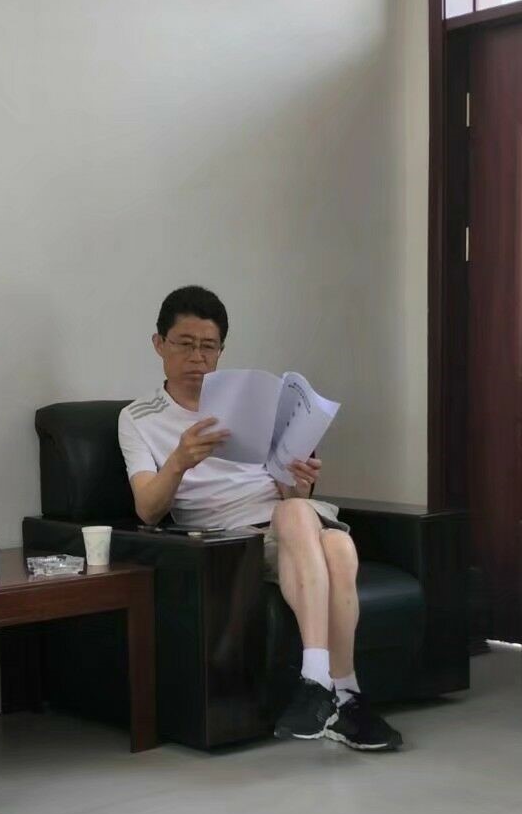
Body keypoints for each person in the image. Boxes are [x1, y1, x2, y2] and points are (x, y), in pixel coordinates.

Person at [117, 286, 400, 751]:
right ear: (159, 345)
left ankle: (318, 685)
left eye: (209, 347)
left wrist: (299, 481)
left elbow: (289, 492)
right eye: (185, 344)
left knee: (302, 515)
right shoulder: (138, 418)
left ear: (221, 351)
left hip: (289, 519)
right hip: (232, 539)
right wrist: (179, 461)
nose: (197, 358)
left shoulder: (251, 401)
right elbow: (147, 509)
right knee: (337, 545)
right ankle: (347, 698)